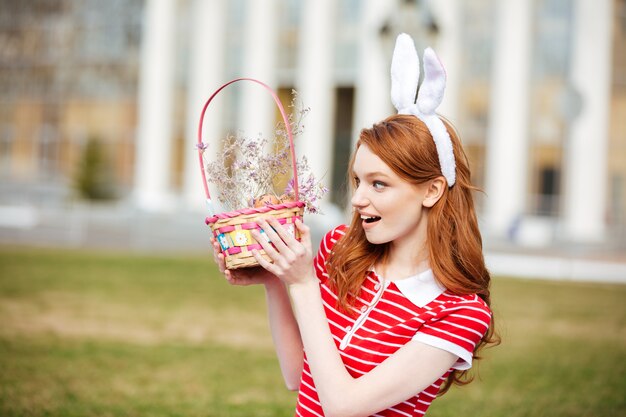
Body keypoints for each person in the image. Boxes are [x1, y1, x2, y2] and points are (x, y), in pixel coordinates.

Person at [211, 33, 498, 417]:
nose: (359, 198)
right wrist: (276, 283)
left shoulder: (459, 312)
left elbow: (344, 406)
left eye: (379, 183)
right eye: (359, 180)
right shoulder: (340, 251)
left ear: (431, 190)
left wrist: (301, 282)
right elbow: (299, 376)